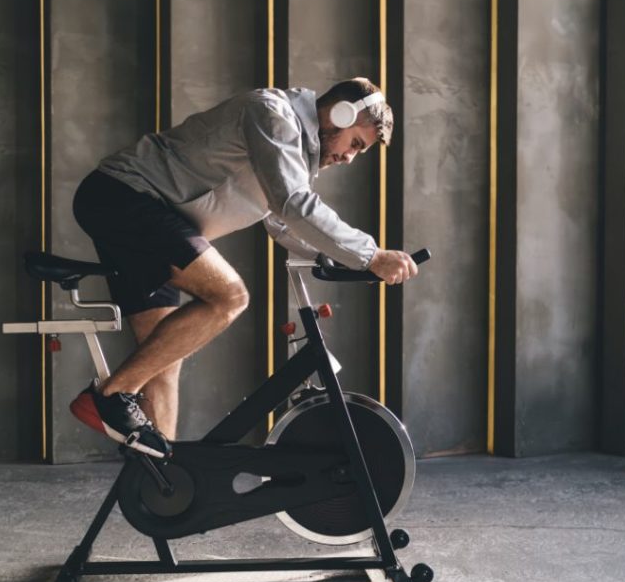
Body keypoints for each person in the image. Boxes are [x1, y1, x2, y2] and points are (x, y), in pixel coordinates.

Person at [69, 77, 418, 456]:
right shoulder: (272, 115)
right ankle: (109, 397)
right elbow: (293, 205)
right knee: (228, 297)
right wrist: (371, 254)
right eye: (355, 144)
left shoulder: (295, 150)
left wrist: (341, 260)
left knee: (162, 357)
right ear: (340, 113)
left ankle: (159, 485)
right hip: (126, 197)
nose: (349, 157)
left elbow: (282, 222)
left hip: (153, 216)